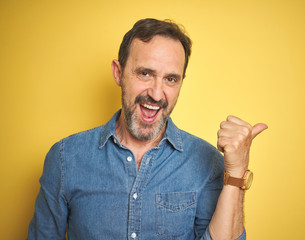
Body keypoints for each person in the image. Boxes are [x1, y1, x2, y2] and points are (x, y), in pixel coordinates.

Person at [27, 18, 267, 240]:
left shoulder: (208, 163)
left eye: (170, 79)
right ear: (118, 73)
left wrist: (236, 172)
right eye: (145, 73)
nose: (156, 93)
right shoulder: (65, 158)